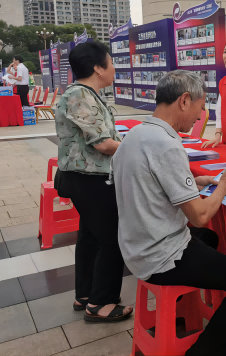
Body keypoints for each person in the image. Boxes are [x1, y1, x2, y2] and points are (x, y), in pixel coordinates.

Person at [112, 70, 226, 356]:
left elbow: (149, 182)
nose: (199, 117)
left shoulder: (135, 134)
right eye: (200, 107)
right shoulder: (166, 144)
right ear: (184, 100)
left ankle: (181, 314)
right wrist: (225, 183)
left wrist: (195, 182)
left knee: (209, 239)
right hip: (160, 254)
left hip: (134, 246)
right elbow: (200, 216)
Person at [53, 41, 132, 323]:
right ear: (98, 68)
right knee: (112, 239)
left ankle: (85, 294)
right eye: (111, 62)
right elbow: (103, 144)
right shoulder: (79, 95)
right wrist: (139, 150)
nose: (114, 68)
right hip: (89, 179)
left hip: (88, 177)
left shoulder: (88, 94)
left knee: (90, 237)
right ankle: (100, 304)